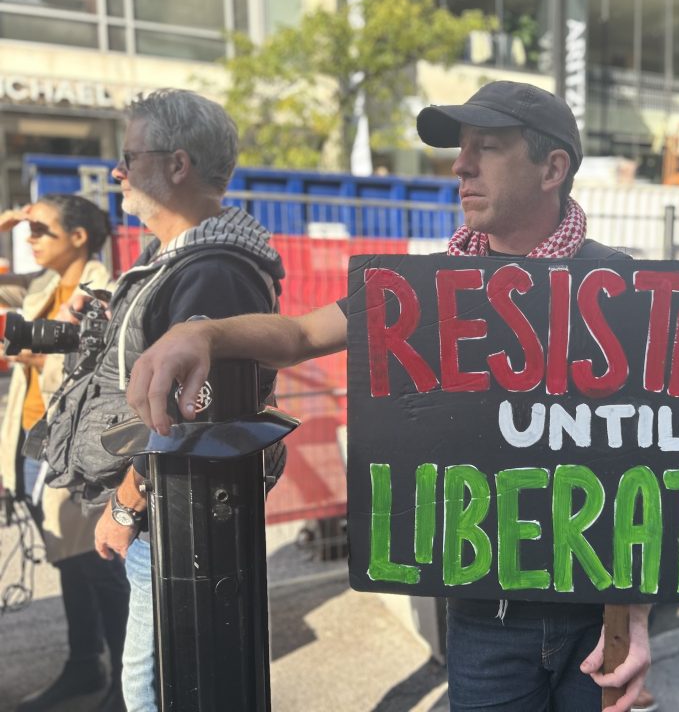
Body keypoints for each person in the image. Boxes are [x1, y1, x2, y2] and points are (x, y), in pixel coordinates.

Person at [123, 81, 652, 711]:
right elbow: (299, 334)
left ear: (552, 167)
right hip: (483, 614)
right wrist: (204, 330)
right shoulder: (428, 290)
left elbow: (649, 462)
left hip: (599, 619)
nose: (460, 165)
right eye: (461, 148)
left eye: (486, 147)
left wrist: (635, 621)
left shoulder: (623, 287)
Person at [40, 90, 286, 712]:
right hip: (171, 518)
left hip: (177, 524)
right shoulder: (174, 262)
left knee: (155, 691)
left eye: (129, 156)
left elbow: (192, 419)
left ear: (177, 165)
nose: (117, 172)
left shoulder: (212, 272)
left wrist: (125, 510)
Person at [0, 196, 128, 712]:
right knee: (68, 562)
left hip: (79, 448)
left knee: (98, 565)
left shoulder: (107, 289)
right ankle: (83, 666)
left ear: (78, 237)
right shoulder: (39, 287)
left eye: (39, 229)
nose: (29, 237)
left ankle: (125, 680)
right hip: (33, 442)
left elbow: (106, 375)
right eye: (25, 228)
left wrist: (30, 354)